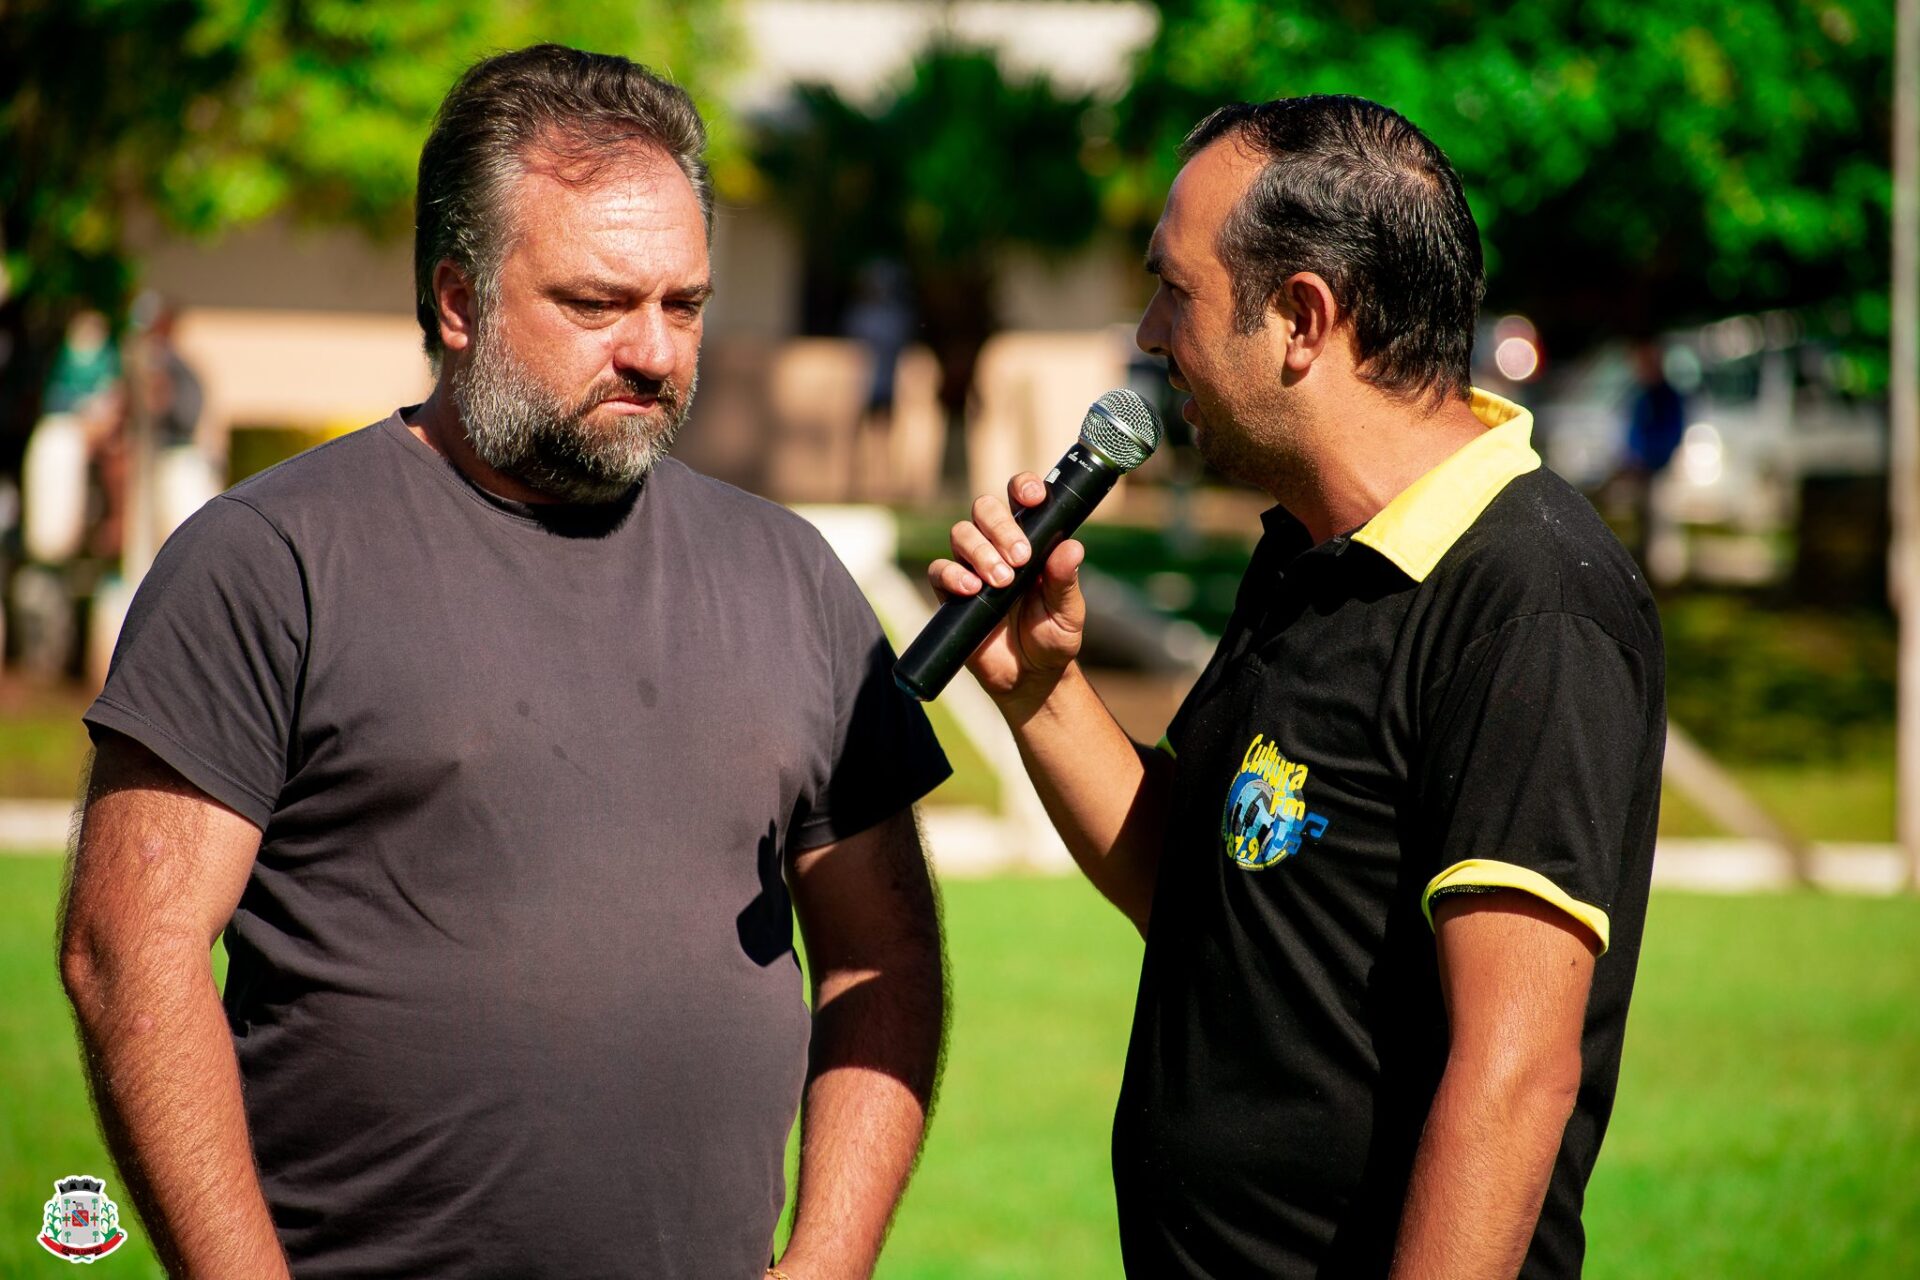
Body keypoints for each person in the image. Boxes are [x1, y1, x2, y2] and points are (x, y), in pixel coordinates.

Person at [60, 45, 950, 1280]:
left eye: (682, 304)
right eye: (596, 303)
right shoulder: (269, 561)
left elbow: (883, 950)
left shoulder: (790, 575)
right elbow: (128, 950)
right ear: (457, 302)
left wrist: (829, 1258)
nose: (653, 350)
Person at [934, 96, 1663, 1278]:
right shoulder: (1309, 555)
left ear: (1301, 319)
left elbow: (1515, 1071)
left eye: (1176, 287)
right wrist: (1042, 688)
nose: (1150, 330)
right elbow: (1210, 887)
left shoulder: (1534, 598)